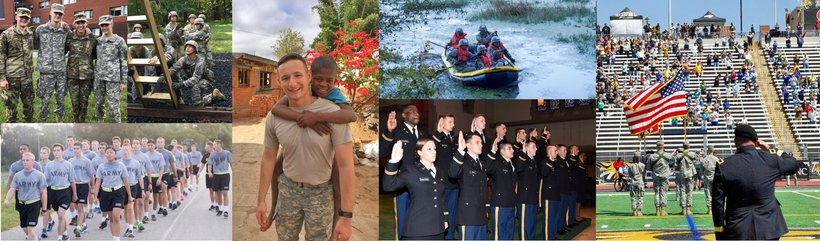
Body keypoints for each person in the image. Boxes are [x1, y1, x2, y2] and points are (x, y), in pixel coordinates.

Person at [256, 54, 354, 241]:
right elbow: (268, 158)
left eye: (297, 75)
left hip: (321, 194)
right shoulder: (275, 116)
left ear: (308, 76)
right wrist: (260, 201)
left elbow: (346, 166)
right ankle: (272, 214)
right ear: (279, 82)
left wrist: (346, 216)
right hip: (287, 190)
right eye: (285, 78)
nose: (292, 83)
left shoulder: (333, 112)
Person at [712, 125, 800, 240]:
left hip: (738, 228)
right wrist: (770, 148)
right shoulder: (770, 159)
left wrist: (719, 231)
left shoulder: (724, 165)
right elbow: (794, 164)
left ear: (735, 141)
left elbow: (717, 203)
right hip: (769, 227)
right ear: (756, 142)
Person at [383, 139, 448, 239]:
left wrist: (444, 218)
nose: (434, 151)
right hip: (417, 228)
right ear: (419, 152)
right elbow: (388, 186)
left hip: (438, 227)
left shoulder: (439, 172)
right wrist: (393, 162)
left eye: (434, 149)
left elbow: (441, 197)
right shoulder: (411, 170)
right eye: (429, 149)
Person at [379, 104, 422, 239]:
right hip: (402, 184)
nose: (416, 113)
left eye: (417, 111)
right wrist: (389, 131)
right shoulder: (397, 132)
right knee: (403, 218)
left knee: (418, 217)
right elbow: (382, 151)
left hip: (419, 183)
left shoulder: (422, 133)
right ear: (403, 115)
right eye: (411, 111)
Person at [450, 132, 497, 240]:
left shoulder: (480, 163)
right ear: (468, 145)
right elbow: (452, 173)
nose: (481, 145)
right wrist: (460, 151)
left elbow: (483, 187)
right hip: (468, 213)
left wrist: (486, 207)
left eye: (481, 142)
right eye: (477, 142)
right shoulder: (463, 161)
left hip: (481, 213)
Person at [34, 4, 70, 122]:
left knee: (60, 98)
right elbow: (33, 43)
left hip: (60, 71)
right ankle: (43, 121)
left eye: (60, 14)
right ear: (50, 13)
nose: (58, 15)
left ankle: (59, 120)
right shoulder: (40, 29)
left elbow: (70, 45)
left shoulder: (65, 31)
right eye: (56, 13)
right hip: (46, 72)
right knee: (45, 98)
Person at [0, 8, 35, 122]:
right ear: (16, 17)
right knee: (11, 107)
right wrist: (2, 78)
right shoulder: (6, 34)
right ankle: (12, 130)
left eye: (26, 18)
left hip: (27, 77)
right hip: (12, 77)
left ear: (29, 20)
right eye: (22, 17)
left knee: (29, 106)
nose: (24, 19)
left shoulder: (31, 34)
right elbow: (1, 56)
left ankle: (28, 129)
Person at [3, 152, 48, 241]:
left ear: (33, 161)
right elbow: (12, 189)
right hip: (22, 204)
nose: (25, 162)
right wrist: (7, 199)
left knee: (30, 229)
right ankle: (35, 238)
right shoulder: (17, 175)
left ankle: (32, 237)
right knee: (25, 228)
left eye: (27, 160)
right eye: (23, 160)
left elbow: (44, 192)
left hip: (34, 204)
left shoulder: (39, 175)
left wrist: (44, 208)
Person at [91, 147, 132, 241]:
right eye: (107, 152)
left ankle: (117, 239)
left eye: (111, 152)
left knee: (116, 216)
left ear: (115, 154)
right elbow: (98, 182)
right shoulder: (101, 166)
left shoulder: (121, 166)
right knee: (111, 218)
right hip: (105, 193)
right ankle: (114, 237)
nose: (109, 154)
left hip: (118, 192)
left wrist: (129, 195)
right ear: (105, 154)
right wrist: (95, 196)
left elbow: (125, 181)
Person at [168, 40, 225, 106]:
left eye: (190, 47)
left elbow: (196, 78)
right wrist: (164, 75)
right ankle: (181, 98)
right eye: (186, 46)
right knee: (188, 100)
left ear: (195, 49)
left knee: (196, 97)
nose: (187, 48)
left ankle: (213, 95)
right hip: (191, 80)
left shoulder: (200, 61)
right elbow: (174, 68)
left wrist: (181, 84)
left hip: (203, 80)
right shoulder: (183, 59)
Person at [94, 15, 127, 123]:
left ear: (111, 24)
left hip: (113, 78)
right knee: (99, 103)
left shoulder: (119, 41)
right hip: (99, 77)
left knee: (113, 107)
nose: (104, 27)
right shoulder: (98, 41)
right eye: (102, 25)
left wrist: (123, 81)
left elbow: (124, 61)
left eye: (106, 25)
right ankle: (100, 123)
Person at [431, 113, 459, 239]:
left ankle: (450, 236)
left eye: (453, 122)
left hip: (453, 183)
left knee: (452, 214)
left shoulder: (453, 140)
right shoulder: (436, 138)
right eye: (450, 122)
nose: (453, 124)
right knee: (441, 214)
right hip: (442, 183)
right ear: (442, 122)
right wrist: (438, 133)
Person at [486, 141, 520, 240]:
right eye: (509, 148)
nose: (512, 150)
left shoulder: (512, 164)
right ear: (502, 151)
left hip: (510, 203)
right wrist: (492, 151)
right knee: (499, 233)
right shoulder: (497, 162)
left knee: (509, 232)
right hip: (500, 204)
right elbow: (486, 168)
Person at [43, 144, 77, 241]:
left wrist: (74, 194)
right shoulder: (49, 165)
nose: (56, 152)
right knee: (60, 216)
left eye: (58, 150)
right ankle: (65, 234)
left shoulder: (68, 164)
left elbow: (72, 181)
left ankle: (60, 237)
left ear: (62, 152)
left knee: (61, 216)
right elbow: (45, 181)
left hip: (65, 192)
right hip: (53, 192)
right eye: (54, 150)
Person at [67, 143, 94, 237]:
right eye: (74, 148)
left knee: (80, 207)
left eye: (77, 148)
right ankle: (84, 224)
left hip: (83, 185)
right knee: (75, 206)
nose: (75, 150)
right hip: (73, 186)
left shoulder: (86, 161)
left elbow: (91, 175)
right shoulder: (70, 161)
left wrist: (92, 187)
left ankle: (78, 228)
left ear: (81, 149)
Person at [517, 141, 540, 240]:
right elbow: (518, 168)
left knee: (531, 223)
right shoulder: (523, 160)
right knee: (524, 225)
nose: (536, 149)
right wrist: (523, 153)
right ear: (527, 148)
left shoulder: (534, 162)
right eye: (534, 147)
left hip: (532, 197)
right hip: (525, 198)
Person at [120, 145, 144, 238]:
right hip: (122, 187)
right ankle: (128, 226)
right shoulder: (119, 162)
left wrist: (142, 189)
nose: (125, 151)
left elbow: (140, 177)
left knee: (130, 206)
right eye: (124, 150)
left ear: (130, 150)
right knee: (126, 208)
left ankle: (131, 229)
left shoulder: (136, 163)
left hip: (133, 186)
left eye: (127, 150)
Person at [540, 145, 561, 240]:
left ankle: (552, 236)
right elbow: (544, 173)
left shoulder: (556, 163)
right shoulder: (544, 162)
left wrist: (553, 162)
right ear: (549, 152)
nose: (557, 152)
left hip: (556, 194)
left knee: (554, 218)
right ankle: (548, 238)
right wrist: (551, 162)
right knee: (548, 219)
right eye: (555, 151)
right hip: (548, 195)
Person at [647, 141, 673, 216]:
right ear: (663, 146)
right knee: (664, 193)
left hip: (656, 176)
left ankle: (657, 211)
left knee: (657, 193)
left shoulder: (652, 157)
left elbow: (648, 167)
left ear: (657, 146)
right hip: (665, 176)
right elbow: (673, 164)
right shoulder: (668, 155)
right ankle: (663, 210)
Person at [207, 140, 231, 217]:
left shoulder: (227, 153)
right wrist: (210, 172)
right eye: (213, 145)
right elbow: (209, 164)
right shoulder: (212, 154)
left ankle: (226, 210)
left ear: (220, 145)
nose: (213, 146)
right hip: (216, 175)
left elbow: (231, 163)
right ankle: (220, 209)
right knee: (218, 193)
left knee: (225, 193)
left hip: (225, 175)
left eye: (215, 145)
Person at [145, 140, 165, 221]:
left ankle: (153, 213)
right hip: (147, 177)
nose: (150, 147)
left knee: (156, 197)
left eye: (151, 145)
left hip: (156, 177)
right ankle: (145, 215)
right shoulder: (145, 155)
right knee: (146, 196)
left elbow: (161, 168)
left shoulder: (159, 155)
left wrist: (160, 178)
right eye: (148, 145)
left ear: (154, 145)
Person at [675, 142, 696, 215]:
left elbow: (676, 166)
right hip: (690, 175)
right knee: (689, 192)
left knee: (682, 192)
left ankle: (683, 209)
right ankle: (689, 209)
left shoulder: (678, 156)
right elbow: (696, 161)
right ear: (689, 146)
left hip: (682, 175)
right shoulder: (692, 154)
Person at [701, 145, 719, 215]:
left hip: (707, 177)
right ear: (713, 150)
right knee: (715, 193)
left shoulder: (704, 159)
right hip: (715, 178)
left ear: (708, 150)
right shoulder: (717, 159)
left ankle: (709, 209)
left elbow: (701, 170)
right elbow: (721, 167)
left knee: (708, 193)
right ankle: (715, 208)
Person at [628, 151, 646, 216]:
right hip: (640, 182)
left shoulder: (631, 166)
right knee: (640, 197)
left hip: (633, 182)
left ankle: (634, 211)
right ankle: (639, 211)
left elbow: (630, 175)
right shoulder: (643, 165)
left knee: (633, 197)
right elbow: (644, 174)